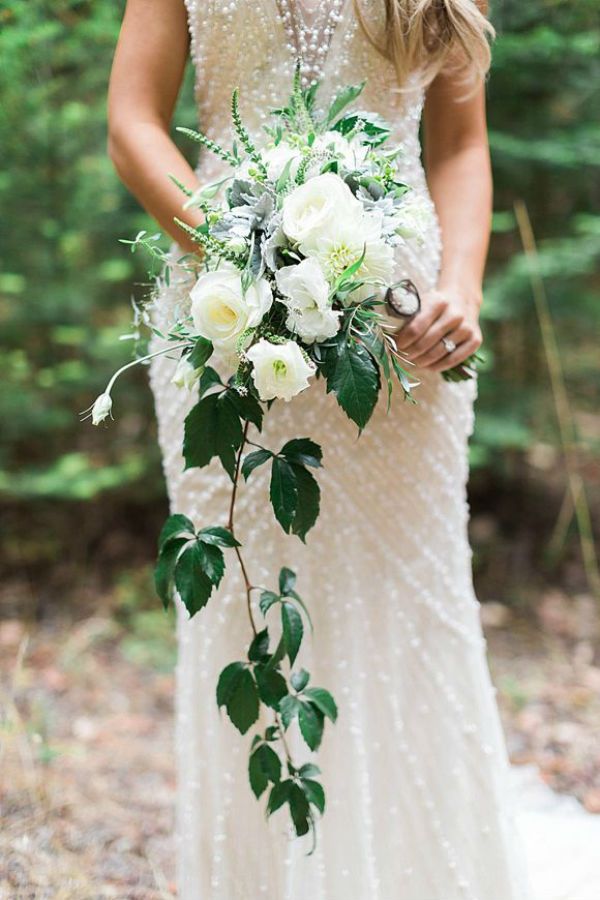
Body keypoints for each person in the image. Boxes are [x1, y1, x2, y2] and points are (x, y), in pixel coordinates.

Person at [107, 2, 533, 897]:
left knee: (409, 593)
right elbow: (133, 120)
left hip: (400, 323)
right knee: (246, 602)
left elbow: (460, 141)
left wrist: (462, 284)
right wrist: (241, 253)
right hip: (222, 305)